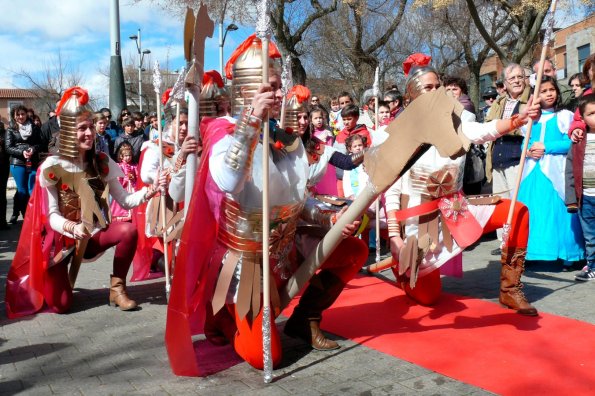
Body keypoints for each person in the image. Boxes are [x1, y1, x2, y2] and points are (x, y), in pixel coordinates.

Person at [165, 35, 368, 376]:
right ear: (246, 90)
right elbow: (229, 181)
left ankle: (305, 320)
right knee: (265, 356)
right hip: (246, 266)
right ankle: (226, 318)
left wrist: (329, 220)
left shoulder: (287, 139)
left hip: (285, 249)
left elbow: (298, 200)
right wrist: (250, 123)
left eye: (277, 86)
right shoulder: (222, 132)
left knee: (352, 251)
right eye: (268, 87)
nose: (277, 94)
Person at [384, 62, 539, 316]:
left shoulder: (458, 122)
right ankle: (402, 268)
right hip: (420, 224)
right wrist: (395, 238)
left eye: (438, 87)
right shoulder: (397, 134)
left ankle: (510, 289)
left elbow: (483, 131)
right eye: (427, 88)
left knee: (517, 211)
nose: (435, 93)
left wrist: (517, 120)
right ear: (410, 96)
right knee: (429, 297)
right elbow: (390, 190)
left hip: (456, 209)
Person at [4, 87, 167, 318]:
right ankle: (58, 281)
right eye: (82, 128)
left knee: (128, 230)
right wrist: (73, 227)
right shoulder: (51, 168)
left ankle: (117, 289)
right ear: (69, 131)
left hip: (92, 235)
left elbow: (126, 200)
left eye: (91, 126)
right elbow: (50, 215)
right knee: (61, 305)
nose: (89, 133)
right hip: (59, 243)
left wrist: (151, 190)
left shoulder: (101, 161)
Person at [517, 76, 584, 268]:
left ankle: (566, 253)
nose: (549, 94)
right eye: (543, 91)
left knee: (557, 213)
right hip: (532, 171)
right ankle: (531, 252)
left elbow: (570, 143)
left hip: (555, 171)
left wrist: (546, 146)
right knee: (533, 213)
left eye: (551, 90)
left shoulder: (564, 116)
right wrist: (529, 150)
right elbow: (524, 142)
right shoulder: (530, 120)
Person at [485, 64, 530, 255]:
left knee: (518, 203)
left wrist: (505, 127)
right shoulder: (499, 103)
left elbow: (527, 127)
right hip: (498, 158)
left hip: (517, 158)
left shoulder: (531, 100)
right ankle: (504, 242)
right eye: (512, 78)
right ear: (505, 83)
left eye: (520, 77)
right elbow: (488, 125)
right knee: (501, 204)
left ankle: (520, 243)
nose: (517, 81)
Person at [566, 94, 595, 280]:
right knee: (590, 237)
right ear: (582, 119)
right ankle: (592, 266)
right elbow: (570, 170)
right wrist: (571, 198)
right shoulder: (579, 140)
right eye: (591, 113)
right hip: (586, 198)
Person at [5, 105, 43, 224]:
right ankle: (26, 215)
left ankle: (34, 215)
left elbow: (39, 144)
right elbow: (8, 147)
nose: (21, 116)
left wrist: (33, 149)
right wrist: (22, 152)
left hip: (33, 162)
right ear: (14, 116)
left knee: (33, 189)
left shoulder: (35, 128)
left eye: (23, 114)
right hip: (18, 163)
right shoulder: (11, 129)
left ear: (26, 114)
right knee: (22, 191)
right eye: (18, 114)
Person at [110, 142, 138, 222]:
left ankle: (133, 215)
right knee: (123, 199)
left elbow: (137, 176)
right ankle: (123, 215)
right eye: (126, 156)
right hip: (124, 187)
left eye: (129, 155)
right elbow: (119, 177)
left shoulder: (134, 166)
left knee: (133, 199)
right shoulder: (119, 165)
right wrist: (126, 178)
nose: (128, 157)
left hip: (132, 186)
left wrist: (133, 178)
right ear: (121, 156)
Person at [0, 121, 9, 229]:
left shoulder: (4, 132)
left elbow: (8, 147)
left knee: (2, 195)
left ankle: (2, 221)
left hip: (2, 167)